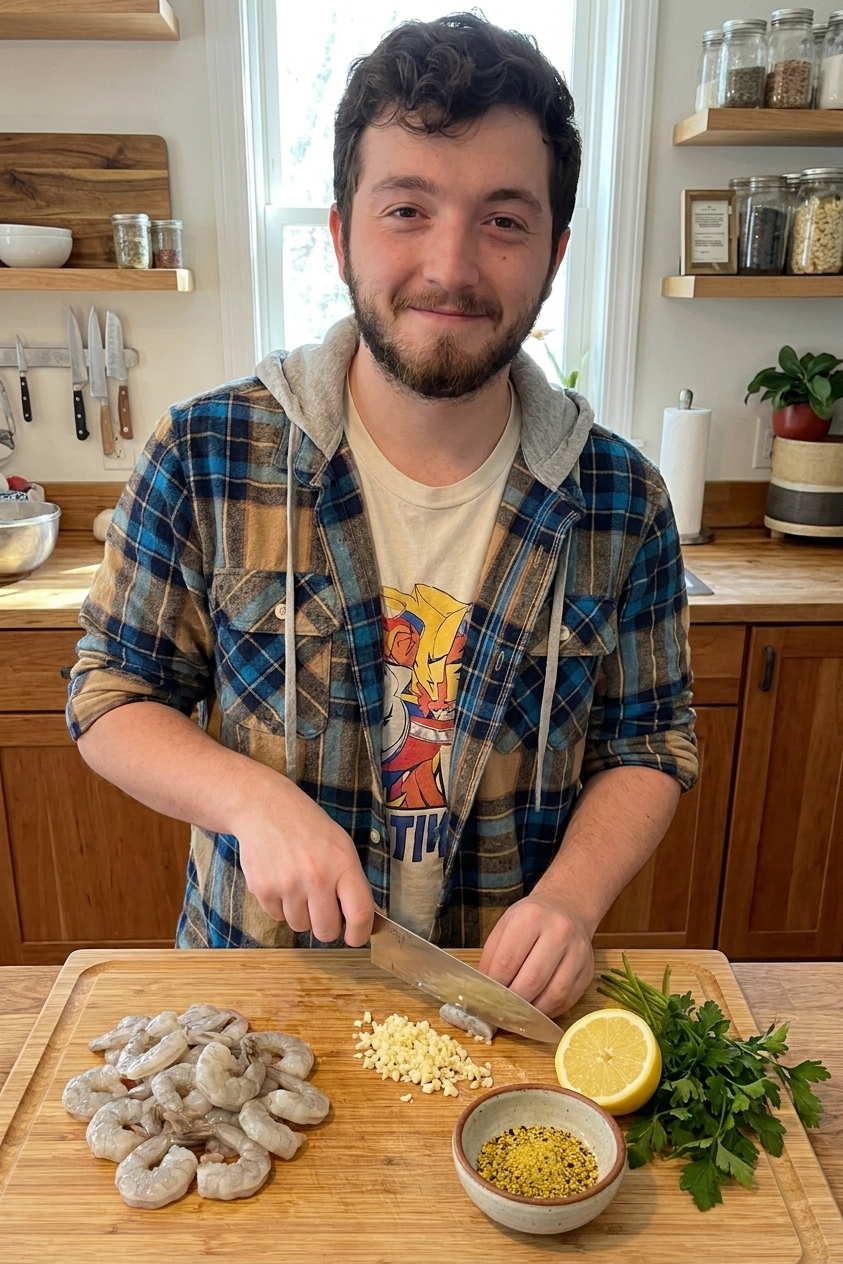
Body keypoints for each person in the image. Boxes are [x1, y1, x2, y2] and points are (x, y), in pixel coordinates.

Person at [68, 13, 697, 1017]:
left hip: (495, 1007)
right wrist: (250, 798)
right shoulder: (206, 454)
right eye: (407, 208)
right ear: (339, 230)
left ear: (554, 251)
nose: (450, 266)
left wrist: (575, 901)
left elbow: (649, 743)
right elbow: (108, 694)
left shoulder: (621, 501)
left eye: (503, 219)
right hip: (259, 996)